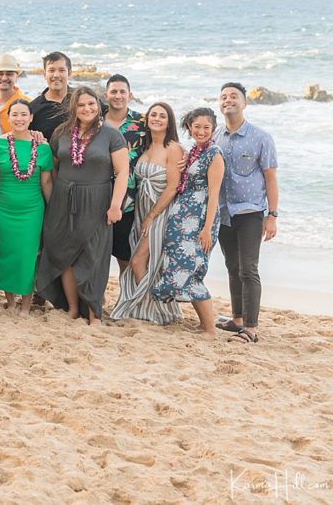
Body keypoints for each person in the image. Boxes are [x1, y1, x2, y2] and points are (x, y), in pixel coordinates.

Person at [35, 86, 128, 324]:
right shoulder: (61, 133)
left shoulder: (111, 135)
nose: (87, 109)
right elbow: (53, 167)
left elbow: (122, 172)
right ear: (73, 108)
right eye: (81, 105)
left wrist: (115, 205)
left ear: (98, 106)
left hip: (97, 201)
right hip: (64, 200)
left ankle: (94, 313)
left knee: (93, 257)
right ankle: (73, 309)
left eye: (91, 104)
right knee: (63, 254)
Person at [214, 82, 279, 344]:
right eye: (224, 97)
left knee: (248, 269)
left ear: (245, 103)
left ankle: (251, 328)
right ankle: (237, 319)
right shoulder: (215, 135)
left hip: (251, 212)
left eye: (234, 96)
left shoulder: (261, 137)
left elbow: (271, 178)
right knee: (232, 266)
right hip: (223, 212)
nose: (228, 100)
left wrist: (272, 215)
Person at [152, 107, 225, 337]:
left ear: (213, 129)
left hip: (199, 221)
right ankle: (205, 325)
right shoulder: (194, 151)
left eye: (206, 127)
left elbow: (214, 195)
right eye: (197, 127)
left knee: (192, 269)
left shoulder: (214, 154)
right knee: (181, 266)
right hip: (183, 219)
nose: (201, 131)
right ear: (189, 127)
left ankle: (210, 328)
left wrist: (206, 230)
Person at [110, 102, 184, 325]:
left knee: (138, 261)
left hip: (161, 211)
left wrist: (152, 215)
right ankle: (150, 306)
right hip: (140, 209)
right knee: (151, 262)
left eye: (162, 116)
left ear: (169, 121)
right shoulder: (145, 145)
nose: (157, 119)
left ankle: (155, 306)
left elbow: (172, 187)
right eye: (153, 115)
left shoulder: (173, 148)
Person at [0, 100, 53, 315]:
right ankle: (11, 301)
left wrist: (52, 208)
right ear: (8, 118)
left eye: (23, 114)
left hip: (32, 209)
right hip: (2, 207)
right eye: (14, 114)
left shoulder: (43, 148)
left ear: (31, 117)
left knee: (27, 254)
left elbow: (46, 182)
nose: (19, 119)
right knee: (5, 252)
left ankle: (25, 304)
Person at [103, 74, 147, 276]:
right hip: (98, 196)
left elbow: (164, 144)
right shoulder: (96, 121)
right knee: (97, 255)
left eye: (122, 92)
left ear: (130, 95)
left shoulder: (142, 123)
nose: (118, 96)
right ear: (106, 95)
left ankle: (126, 302)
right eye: (113, 91)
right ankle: (97, 302)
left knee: (125, 256)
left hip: (129, 201)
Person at [29, 51, 73, 140]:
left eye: (62, 70)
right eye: (51, 70)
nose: (56, 75)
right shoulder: (34, 108)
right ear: (44, 74)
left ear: (69, 73)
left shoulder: (82, 98)